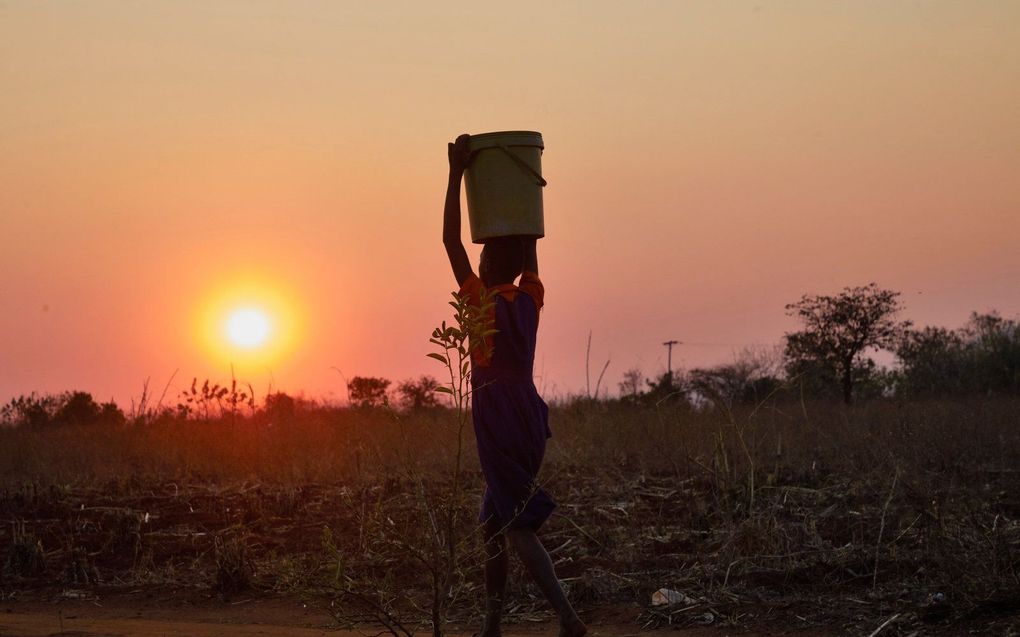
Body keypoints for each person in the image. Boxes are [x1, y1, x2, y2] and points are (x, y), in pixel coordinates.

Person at [443, 134, 586, 637]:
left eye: (482, 260)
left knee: (518, 524)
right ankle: (492, 624)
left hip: (497, 413)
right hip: (527, 409)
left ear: (484, 268)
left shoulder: (479, 303)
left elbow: (450, 242)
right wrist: (525, 199)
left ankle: (568, 619)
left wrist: (456, 172)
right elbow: (530, 251)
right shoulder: (529, 301)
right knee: (492, 524)